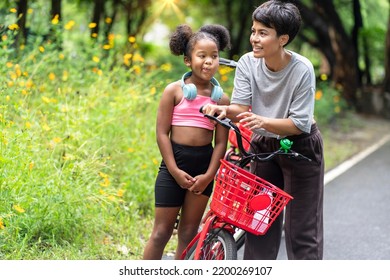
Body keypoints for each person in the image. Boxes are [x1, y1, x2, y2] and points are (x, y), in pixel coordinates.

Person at [202, 0, 324, 260]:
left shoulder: (302, 69)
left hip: (300, 146)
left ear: (283, 39)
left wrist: (262, 121)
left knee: (301, 230)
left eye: (262, 33)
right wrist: (224, 110)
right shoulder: (248, 62)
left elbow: (299, 122)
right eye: (253, 31)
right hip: (264, 145)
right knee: (259, 224)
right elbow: (240, 106)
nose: (254, 39)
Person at [143, 23, 231, 260]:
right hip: (173, 168)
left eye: (214, 56)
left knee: (190, 232)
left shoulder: (221, 99)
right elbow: (162, 133)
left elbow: (221, 143)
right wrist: (173, 170)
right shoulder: (174, 91)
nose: (208, 61)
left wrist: (208, 176)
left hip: (203, 170)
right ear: (187, 61)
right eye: (202, 56)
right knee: (161, 233)